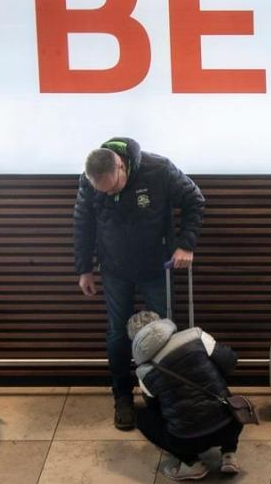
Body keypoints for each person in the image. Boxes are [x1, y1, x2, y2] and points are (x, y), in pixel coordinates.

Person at [73, 137, 206, 432]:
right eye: (103, 191)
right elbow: (83, 223)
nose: (110, 193)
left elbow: (194, 200)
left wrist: (186, 245)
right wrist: (84, 269)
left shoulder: (158, 169)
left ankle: (165, 396)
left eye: (114, 187)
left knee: (165, 332)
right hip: (114, 268)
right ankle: (122, 397)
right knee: (117, 334)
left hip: (156, 266)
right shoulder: (88, 179)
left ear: (121, 166)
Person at [127, 311, 245, 481]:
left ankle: (191, 464)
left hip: (187, 440)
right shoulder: (195, 337)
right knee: (225, 399)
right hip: (230, 424)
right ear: (161, 324)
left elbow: (156, 410)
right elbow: (230, 361)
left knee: (143, 418)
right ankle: (229, 455)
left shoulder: (143, 372)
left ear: (135, 341)